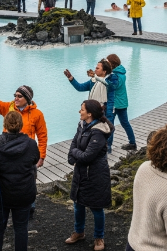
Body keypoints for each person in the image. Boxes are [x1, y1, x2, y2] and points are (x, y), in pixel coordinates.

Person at [0, 111, 40, 251]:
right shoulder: (31, 144)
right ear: (21, 125)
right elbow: (35, 160)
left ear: (5, 125)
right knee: (21, 228)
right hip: (23, 193)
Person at [64, 99, 114, 250]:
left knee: (96, 208)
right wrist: (73, 154)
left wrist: (74, 153)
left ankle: (99, 238)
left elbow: (87, 156)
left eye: (82, 110)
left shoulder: (98, 132)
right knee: (78, 204)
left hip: (96, 174)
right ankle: (79, 232)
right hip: (81, 172)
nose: (80, 112)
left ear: (90, 113)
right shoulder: (82, 125)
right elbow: (74, 143)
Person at [64, 60, 117, 152]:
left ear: (104, 71)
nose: (95, 69)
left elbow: (108, 85)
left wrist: (95, 76)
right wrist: (71, 78)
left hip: (104, 110)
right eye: (95, 67)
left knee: (106, 129)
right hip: (92, 110)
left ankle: (107, 148)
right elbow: (80, 87)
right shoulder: (93, 81)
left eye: (97, 68)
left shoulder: (111, 80)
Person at [105, 54, 137, 151]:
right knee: (125, 123)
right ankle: (132, 142)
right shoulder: (120, 73)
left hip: (116, 103)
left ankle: (108, 146)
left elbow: (114, 86)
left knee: (110, 124)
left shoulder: (116, 75)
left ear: (112, 63)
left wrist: (103, 80)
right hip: (121, 103)